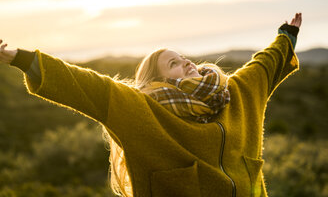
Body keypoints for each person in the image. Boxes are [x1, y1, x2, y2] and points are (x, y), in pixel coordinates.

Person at [0, 13, 302, 197]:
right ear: (159, 80)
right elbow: (84, 85)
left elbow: (264, 65)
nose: (185, 62)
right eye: (173, 63)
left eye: (183, 57)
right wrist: (19, 57)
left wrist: (286, 35)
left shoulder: (234, 93)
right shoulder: (142, 111)